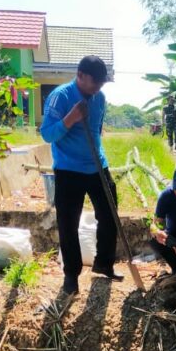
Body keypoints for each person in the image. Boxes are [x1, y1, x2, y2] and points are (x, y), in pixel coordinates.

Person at [40, 55, 122, 294]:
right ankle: (71, 275)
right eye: (94, 82)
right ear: (80, 75)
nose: (97, 88)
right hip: (68, 169)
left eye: (101, 84)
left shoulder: (100, 98)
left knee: (109, 216)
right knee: (68, 223)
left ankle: (104, 264)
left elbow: (96, 131)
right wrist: (71, 119)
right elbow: (47, 134)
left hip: (97, 166)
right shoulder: (61, 97)